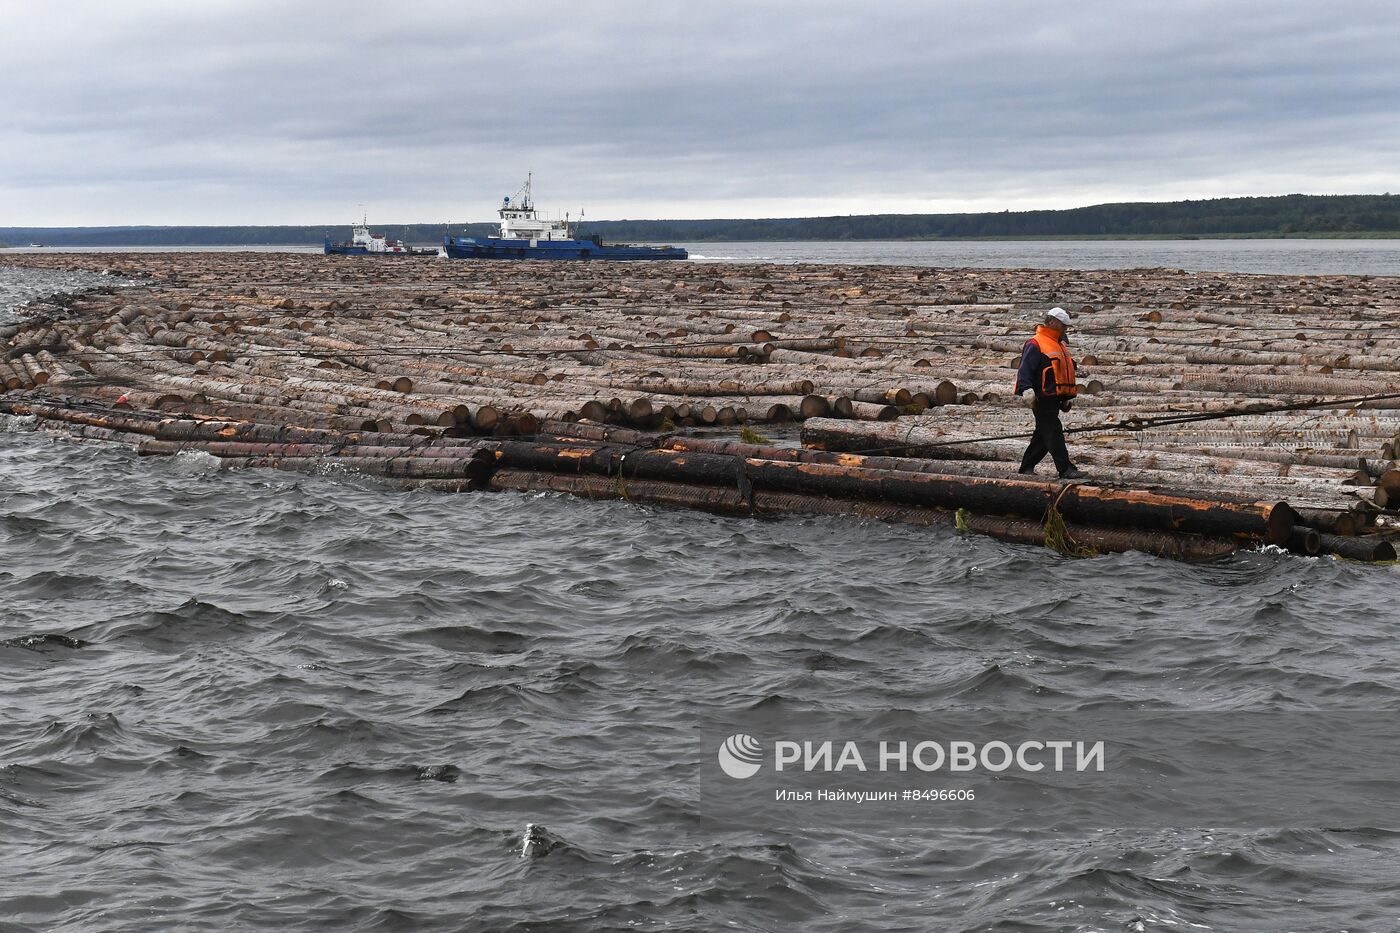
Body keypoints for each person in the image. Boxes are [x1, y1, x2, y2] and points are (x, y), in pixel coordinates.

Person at [1014, 307, 1086, 479]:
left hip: (1054, 397)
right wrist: (1026, 390)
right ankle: (1065, 469)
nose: (1065, 329)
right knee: (1053, 431)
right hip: (1041, 397)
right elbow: (1025, 369)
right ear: (1052, 322)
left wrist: (1065, 398)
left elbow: (1060, 372)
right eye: (1063, 326)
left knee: (1043, 435)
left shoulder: (1059, 344)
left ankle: (1026, 467)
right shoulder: (1036, 343)